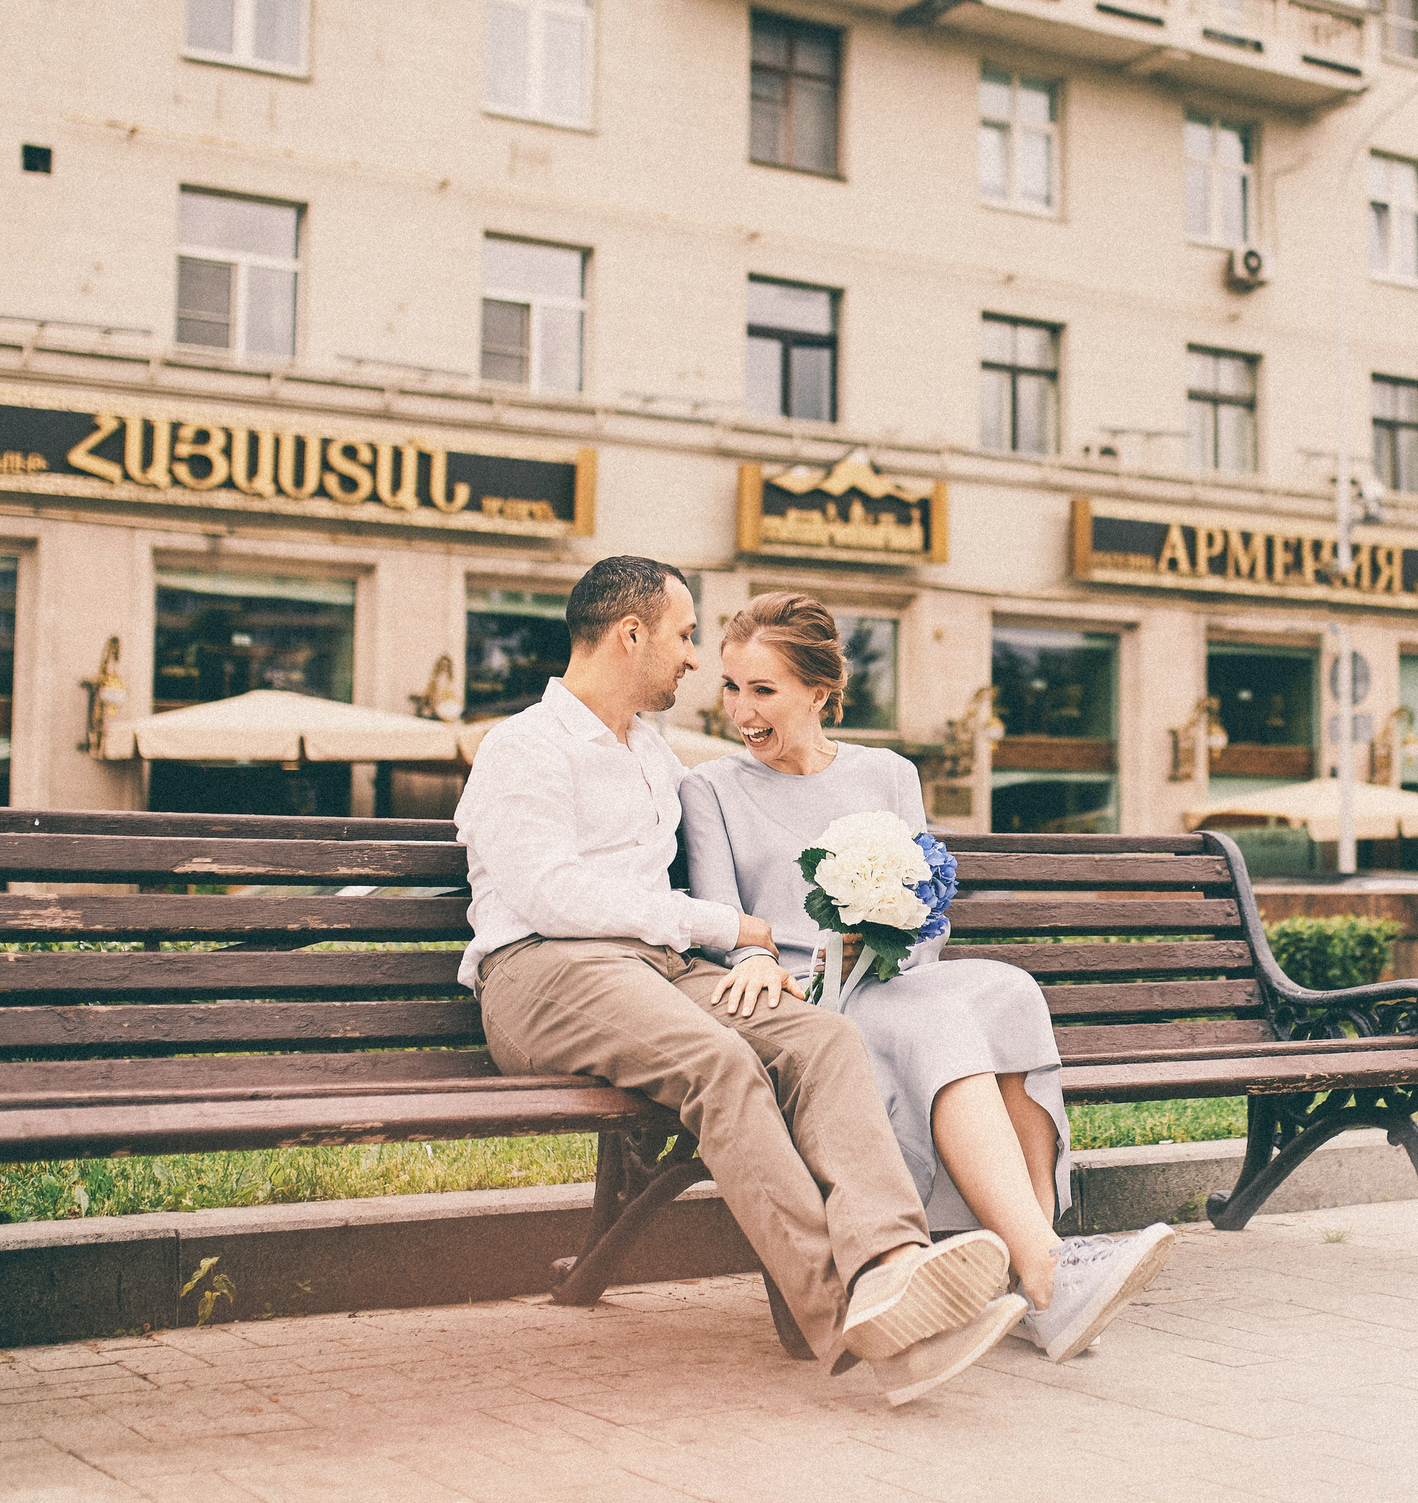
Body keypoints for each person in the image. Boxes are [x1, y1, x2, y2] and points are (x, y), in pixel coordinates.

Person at [453, 555, 1026, 1406]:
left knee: (821, 1037)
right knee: (718, 1061)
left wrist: (739, 951)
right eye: (686, 636)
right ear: (631, 633)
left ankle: (894, 1261)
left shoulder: (653, 754)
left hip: (653, 968)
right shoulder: (524, 745)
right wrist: (727, 929)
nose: (693, 659)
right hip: (542, 968)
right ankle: (854, 1319)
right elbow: (548, 893)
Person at [679, 591, 1174, 1363]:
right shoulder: (710, 788)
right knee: (936, 1021)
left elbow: (929, 916)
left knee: (1011, 990)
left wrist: (889, 933)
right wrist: (754, 957)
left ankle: (1029, 1260)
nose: (742, 710)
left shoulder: (888, 773)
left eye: (763, 689)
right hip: (805, 999)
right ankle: (1046, 1269)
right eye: (732, 687)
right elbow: (721, 922)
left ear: (818, 691)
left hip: (889, 972)